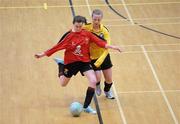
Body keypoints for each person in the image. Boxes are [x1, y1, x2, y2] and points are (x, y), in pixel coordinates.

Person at [35, 15, 121, 114]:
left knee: (93, 80)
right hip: (71, 63)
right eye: (77, 26)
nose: (79, 29)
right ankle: (61, 65)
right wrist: (42, 54)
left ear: (83, 25)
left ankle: (86, 106)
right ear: (73, 24)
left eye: (80, 26)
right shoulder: (69, 36)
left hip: (84, 62)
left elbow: (100, 42)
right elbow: (56, 47)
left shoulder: (87, 34)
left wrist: (113, 47)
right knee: (63, 83)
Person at [83, 9, 117, 99]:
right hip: (92, 57)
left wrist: (102, 58)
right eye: (94, 19)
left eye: (98, 20)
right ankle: (97, 85)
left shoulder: (104, 30)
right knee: (97, 78)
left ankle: (107, 91)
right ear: (92, 18)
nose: (96, 22)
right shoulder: (86, 28)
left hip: (104, 57)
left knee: (109, 80)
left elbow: (107, 45)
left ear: (101, 19)